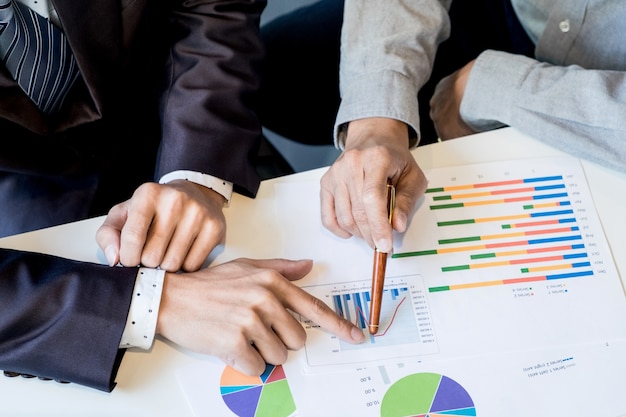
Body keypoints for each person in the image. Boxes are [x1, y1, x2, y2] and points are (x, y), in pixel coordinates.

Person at [0, 0, 364, 392]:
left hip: (172, 98)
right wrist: (153, 304)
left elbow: (214, 8)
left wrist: (196, 174)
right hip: (23, 176)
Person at [259, 0, 626, 257]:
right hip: (503, 11)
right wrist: (375, 119)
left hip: (608, 106)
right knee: (266, 77)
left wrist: (500, 88)